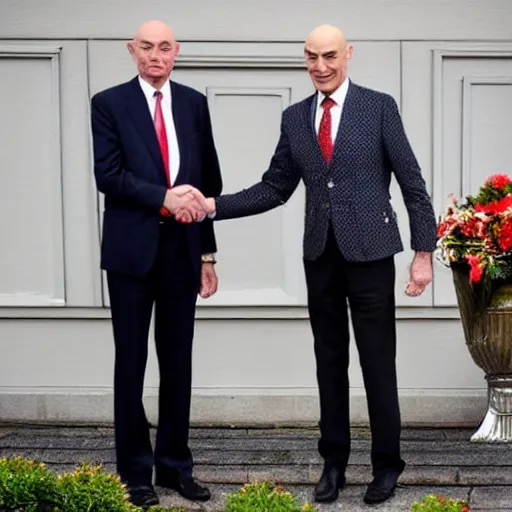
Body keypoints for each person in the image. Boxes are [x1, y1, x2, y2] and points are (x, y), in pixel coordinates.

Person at [195, 24, 437, 505]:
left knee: (377, 363)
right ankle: (333, 464)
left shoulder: (378, 107)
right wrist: (212, 205)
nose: (320, 67)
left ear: (348, 54)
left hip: (370, 255)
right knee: (329, 363)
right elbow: (274, 187)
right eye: (311, 57)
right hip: (320, 257)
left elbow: (412, 182)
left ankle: (387, 467)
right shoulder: (294, 117)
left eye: (329, 56)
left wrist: (422, 254)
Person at [90, 20, 222, 508]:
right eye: (146, 47)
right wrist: (164, 198)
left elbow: (208, 183)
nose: (155, 56)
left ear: (176, 52)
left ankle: (174, 467)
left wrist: (208, 254)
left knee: (178, 362)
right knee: (131, 362)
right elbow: (109, 175)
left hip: (182, 253)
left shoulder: (193, 103)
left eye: (164, 48)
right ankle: (134, 472)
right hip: (130, 254)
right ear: (132, 50)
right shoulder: (109, 104)